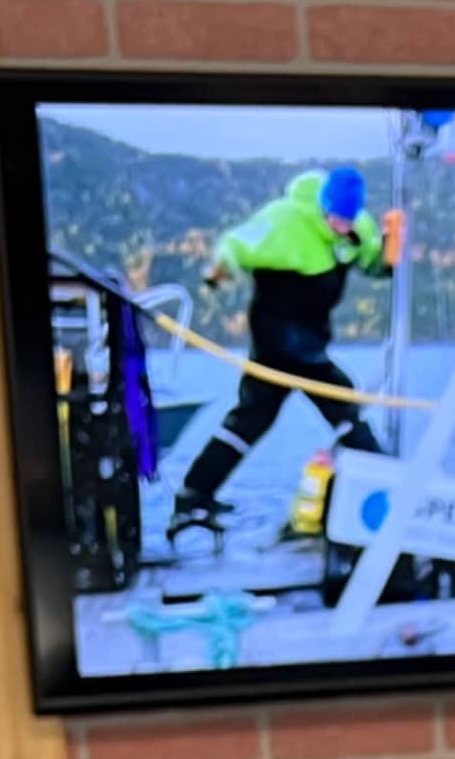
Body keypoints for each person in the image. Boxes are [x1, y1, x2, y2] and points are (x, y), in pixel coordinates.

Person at [164, 163, 391, 548]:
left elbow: (373, 262)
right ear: (322, 206)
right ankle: (387, 481)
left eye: (347, 220)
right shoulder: (284, 220)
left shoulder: (357, 227)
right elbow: (235, 244)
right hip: (276, 344)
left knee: (251, 420)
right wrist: (219, 271)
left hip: (312, 342)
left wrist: (387, 251)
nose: (341, 227)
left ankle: (193, 495)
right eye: (335, 218)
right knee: (343, 407)